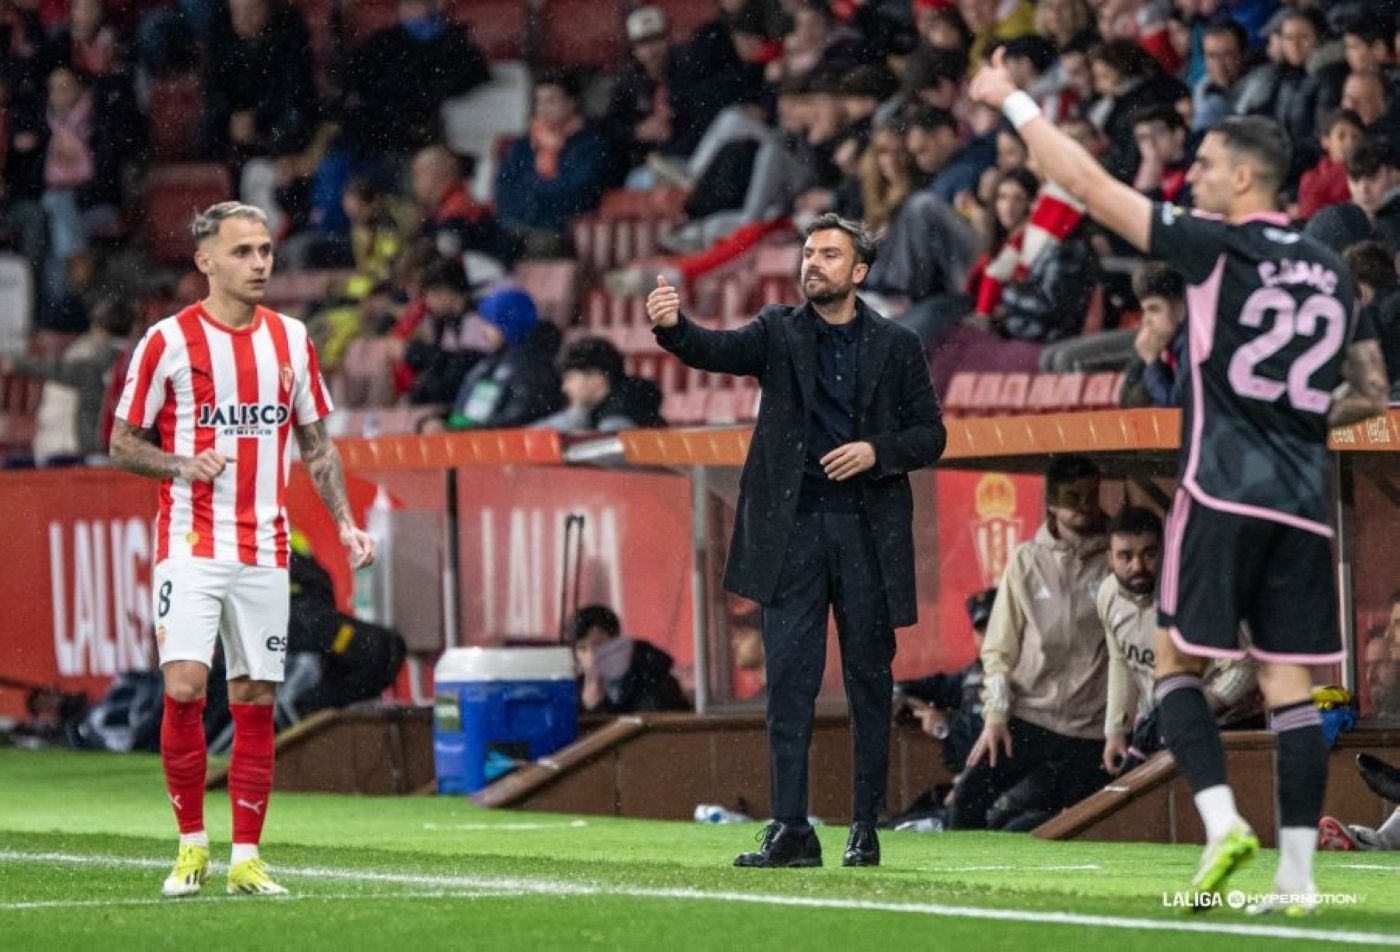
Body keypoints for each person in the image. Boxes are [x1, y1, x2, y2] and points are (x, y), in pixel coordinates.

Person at [971, 49, 1389, 912]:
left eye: (1204, 164)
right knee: (1290, 689)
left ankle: (1222, 822)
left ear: (1245, 177)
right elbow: (1369, 391)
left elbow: (1086, 184)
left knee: (1172, 666)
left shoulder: (1214, 246)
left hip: (1221, 489)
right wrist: (1294, 421)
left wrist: (1011, 99)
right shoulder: (1330, 273)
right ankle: (1298, 877)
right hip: (1301, 503)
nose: (1191, 175)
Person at [646, 212, 946, 868]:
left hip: (866, 534)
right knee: (788, 683)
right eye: (808, 252)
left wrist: (875, 451)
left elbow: (931, 434)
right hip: (791, 535)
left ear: (859, 271)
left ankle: (865, 827)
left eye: (829, 254)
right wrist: (673, 327)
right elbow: (716, 350)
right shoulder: (777, 330)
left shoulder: (898, 344)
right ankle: (790, 829)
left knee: (870, 682)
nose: (813, 262)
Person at [109, 201, 376, 898]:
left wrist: (345, 523)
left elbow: (317, 444)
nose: (259, 263)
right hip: (192, 540)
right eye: (242, 252)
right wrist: (179, 464)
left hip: (265, 545)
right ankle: (190, 847)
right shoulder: (168, 341)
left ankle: (248, 859)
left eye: (264, 250)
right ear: (206, 262)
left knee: (255, 695)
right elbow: (122, 442)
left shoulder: (291, 339)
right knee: (184, 686)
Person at [948, 455, 1111, 832]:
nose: (1085, 506)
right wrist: (995, 717)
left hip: (1092, 726)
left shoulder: (1113, 558)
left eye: (1091, 495)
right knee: (967, 799)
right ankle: (961, 870)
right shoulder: (1026, 560)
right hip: (1030, 715)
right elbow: (998, 649)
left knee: (1081, 826)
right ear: (1051, 503)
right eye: (1073, 498)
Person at [1097, 506, 1259, 776]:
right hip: (1163, 727)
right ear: (1109, 558)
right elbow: (1122, 661)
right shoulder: (1107, 594)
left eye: (1149, 554)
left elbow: (1247, 666)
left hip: (1226, 727)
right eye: (1125, 556)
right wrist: (1116, 730)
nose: (1138, 566)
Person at [569, 605, 689, 714]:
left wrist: (599, 707)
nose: (592, 656)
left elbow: (650, 725)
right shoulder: (576, 687)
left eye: (599, 645)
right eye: (582, 648)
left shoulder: (651, 676)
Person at [533, 335, 666, 433]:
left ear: (596, 378)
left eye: (570, 379)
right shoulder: (605, 409)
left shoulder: (617, 421)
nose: (564, 388)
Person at [1118, 262, 1187, 408]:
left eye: (1154, 309)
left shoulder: (1191, 345)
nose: (1146, 320)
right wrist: (1144, 357)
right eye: (1144, 311)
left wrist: (1152, 361)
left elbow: (1177, 405)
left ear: (1180, 310)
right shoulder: (1156, 342)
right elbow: (1127, 403)